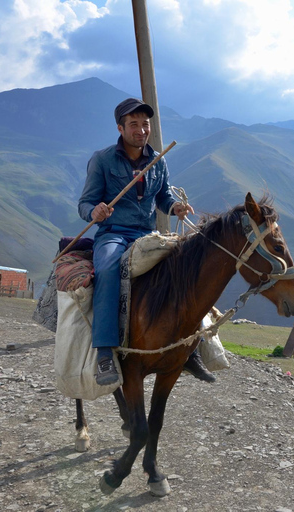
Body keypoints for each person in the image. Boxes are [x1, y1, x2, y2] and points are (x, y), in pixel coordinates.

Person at [78, 97, 215, 386]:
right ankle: (104, 351)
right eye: (133, 125)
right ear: (120, 128)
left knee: (187, 269)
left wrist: (174, 207)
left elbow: (163, 196)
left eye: (145, 124)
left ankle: (191, 348)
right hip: (114, 233)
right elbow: (85, 203)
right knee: (108, 270)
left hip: (147, 234)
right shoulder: (102, 160)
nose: (141, 130)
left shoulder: (158, 160)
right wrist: (95, 211)